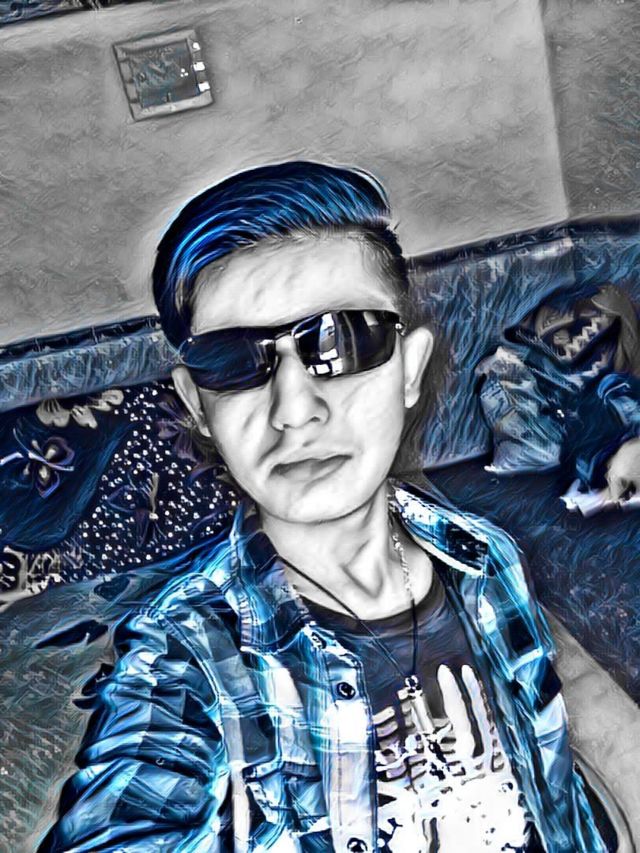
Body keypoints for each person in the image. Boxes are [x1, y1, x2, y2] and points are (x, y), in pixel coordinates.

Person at [40, 162, 610, 852]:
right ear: (198, 405)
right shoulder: (182, 662)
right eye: (233, 362)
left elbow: (552, 791)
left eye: (343, 341)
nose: (294, 409)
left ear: (408, 370)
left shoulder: (485, 557)